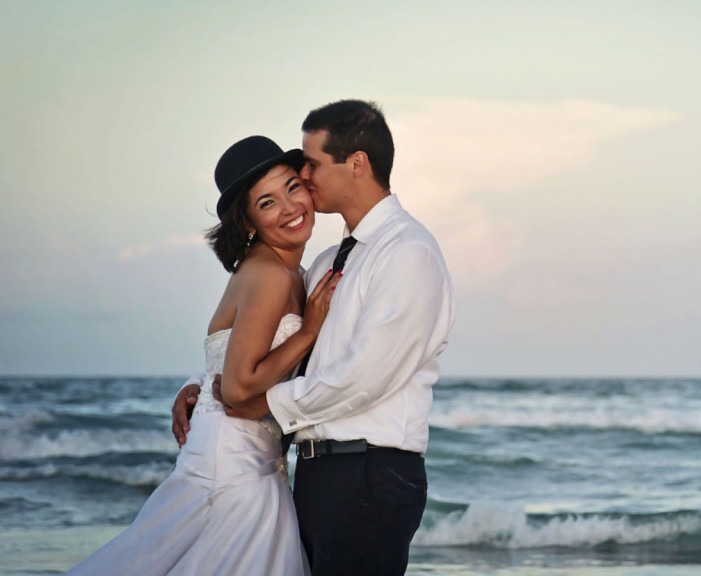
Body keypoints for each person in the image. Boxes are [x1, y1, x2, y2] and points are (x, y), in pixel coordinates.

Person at [173, 100, 456, 575]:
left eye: (311, 163)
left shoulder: (408, 253)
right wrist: (207, 389)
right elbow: (283, 349)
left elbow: (365, 378)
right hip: (314, 474)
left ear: (358, 164)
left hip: (370, 473)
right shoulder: (325, 263)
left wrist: (255, 403)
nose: (304, 176)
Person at [70, 136, 340, 575]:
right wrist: (310, 330)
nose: (290, 208)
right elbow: (236, 388)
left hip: (250, 455)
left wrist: (193, 383)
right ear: (249, 222)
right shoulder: (270, 274)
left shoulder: (289, 271)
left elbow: (228, 362)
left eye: (293, 187)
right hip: (233, 464)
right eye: (268, 202)